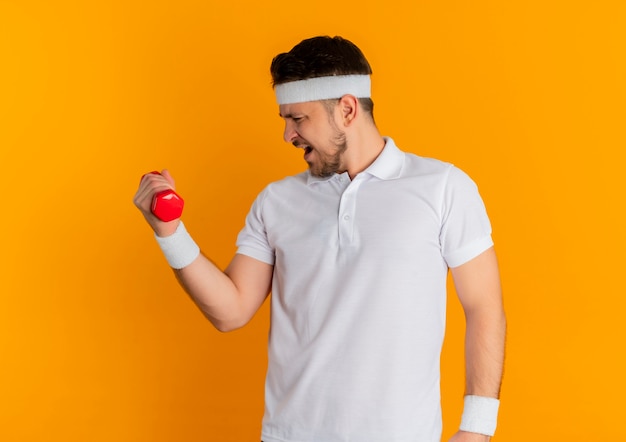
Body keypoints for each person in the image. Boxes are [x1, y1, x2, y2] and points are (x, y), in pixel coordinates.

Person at [134, 36, 506, 442]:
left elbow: (483, 306)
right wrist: (170, 233)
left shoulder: (443, 187)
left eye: (298, 119)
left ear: (346, 109)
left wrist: (477, 429)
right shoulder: (277, 201)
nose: (287, 135)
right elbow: (230, 310)